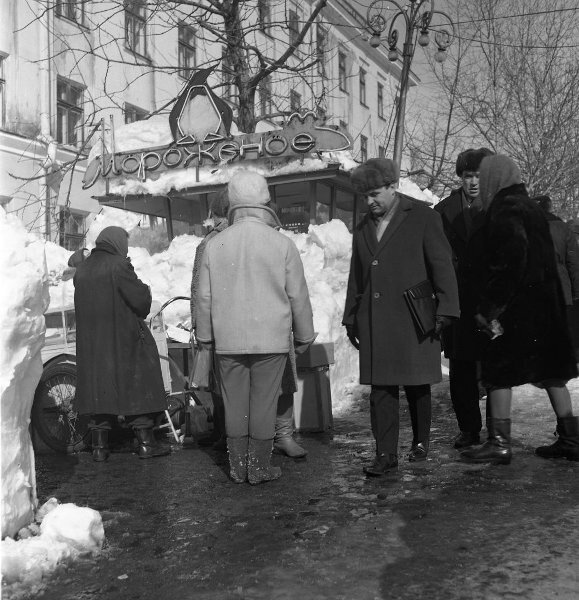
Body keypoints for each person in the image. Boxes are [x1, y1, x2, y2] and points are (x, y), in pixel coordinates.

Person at [195, 170, 315, 484]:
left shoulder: (214, 245)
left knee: (234, 404)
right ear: (264, 201)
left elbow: (204, 297)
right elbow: (297, 295)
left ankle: (237, 468)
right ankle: (259, 468)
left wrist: (206, 338)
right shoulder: (282, 244)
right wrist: (304, 336)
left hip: (228, 340)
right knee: (264, 403)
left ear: (233, 202)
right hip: (271, 340)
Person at [343, 158, 460, 476]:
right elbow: (357, 274)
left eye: (375, 194)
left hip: (414, 315)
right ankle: (385, 453)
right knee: (381, 388)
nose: (369, 202)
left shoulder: (422, 216)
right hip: (375, 318)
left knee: (417, 384)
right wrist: (351, 316)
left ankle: (421, 441)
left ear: (393, 187)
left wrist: (447, 308)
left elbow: (442, 263)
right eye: (365, 196)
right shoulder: (363, 225)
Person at [462, 155, 579, 464]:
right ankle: (571, 437)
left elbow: (510, 262)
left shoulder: (505, 209)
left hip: (515, 309)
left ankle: (498, 442)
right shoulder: (532, 209)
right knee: (552, 372)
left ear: (493, 179)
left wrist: (488, 308)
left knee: (499, 371)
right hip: (545, 307)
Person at [74, 226, 170, 461]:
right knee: (137, 384)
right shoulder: (118, 266)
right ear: (117, 243)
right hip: (123, 340)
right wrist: (146, 290)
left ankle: (99, 449)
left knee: (100, 391)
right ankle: (146, 444)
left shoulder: (82, 270)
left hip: (93, 345)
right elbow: (141, 303)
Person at [434, 148, 494, 449]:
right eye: (468, 176)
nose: (473, 182)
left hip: (490, 301)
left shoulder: (499, 208)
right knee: (461, 370)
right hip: (457, 300)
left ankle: (497, 432)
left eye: (478, 176)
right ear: (461, 177)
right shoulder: (442, 211)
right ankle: (469, 429)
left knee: (495, 368)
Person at [190, 190, 230, 451]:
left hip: (217, 324)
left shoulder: (209, 244)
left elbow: (198, 289)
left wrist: (196, 322)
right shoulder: (256, 237)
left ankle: (226, 433)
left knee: (220, 382)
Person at [534, 194, 579, 362]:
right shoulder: (564, 228)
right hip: (562, 284)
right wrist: (576, 292)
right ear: (549, 207)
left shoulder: (526, 227)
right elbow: (573, 263)